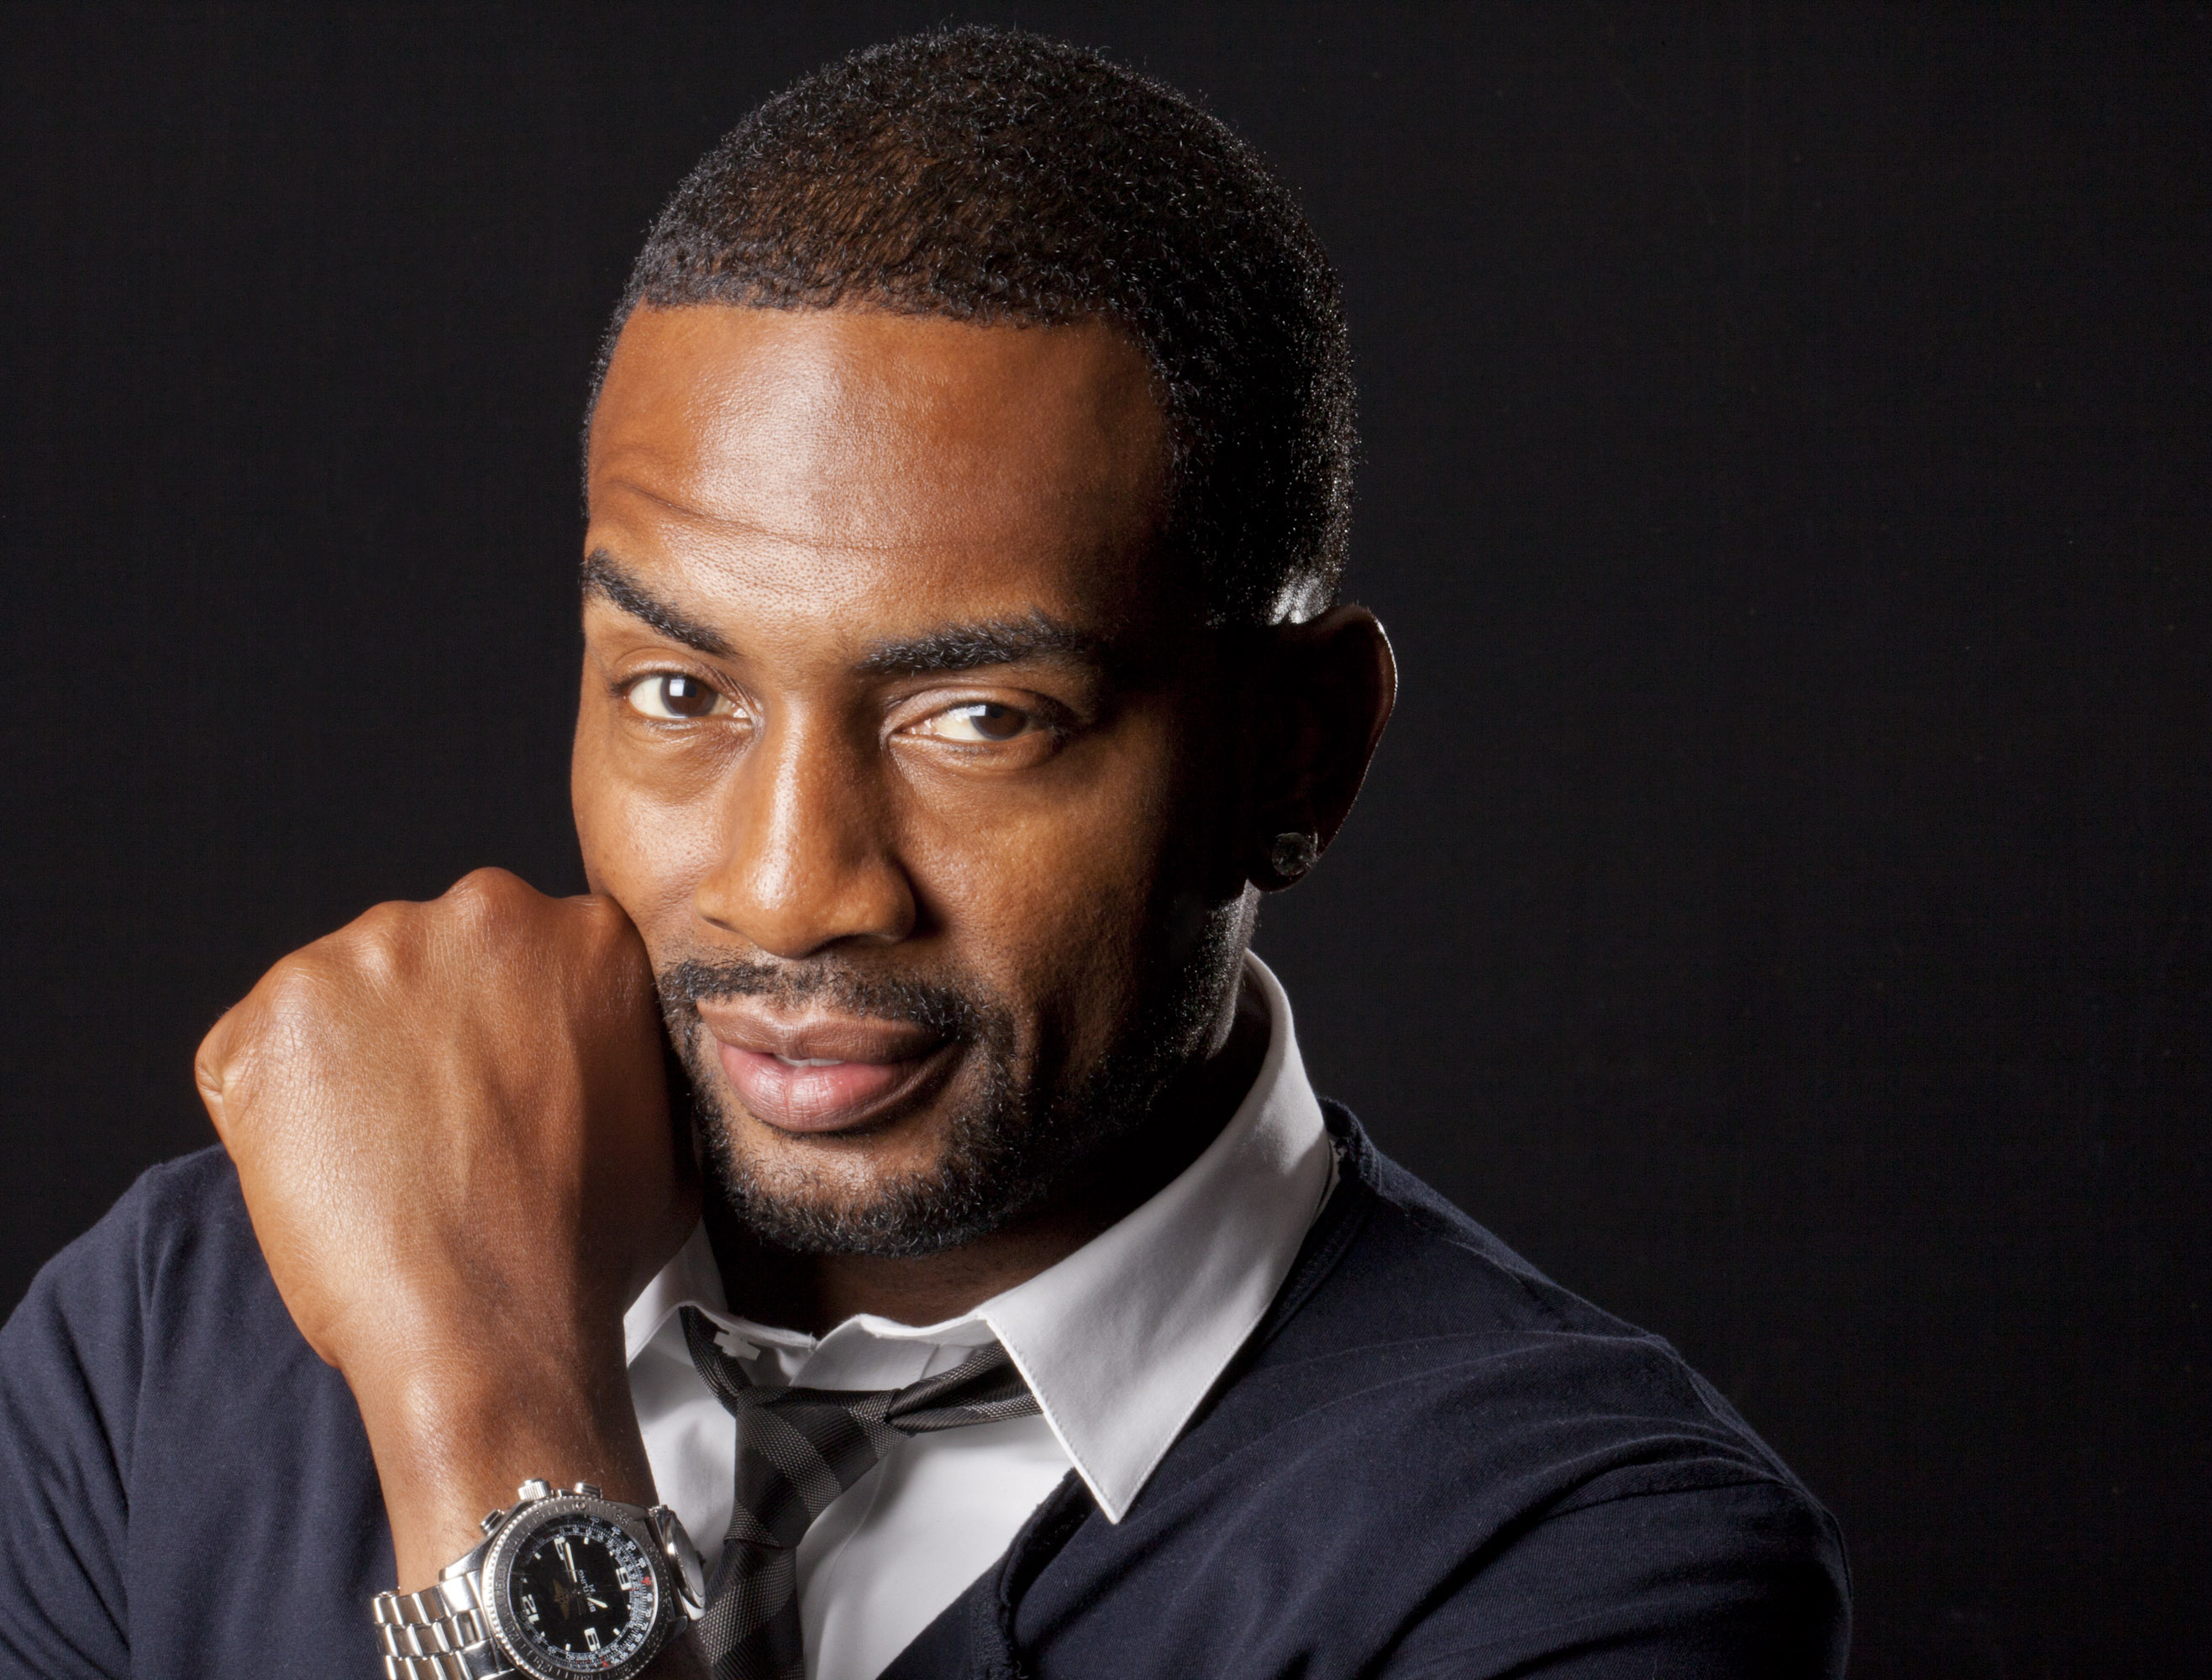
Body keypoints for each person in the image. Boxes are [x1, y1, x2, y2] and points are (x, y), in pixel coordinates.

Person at [0, 26, 1848, 1680]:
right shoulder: (177, 1342)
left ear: (1300, 751)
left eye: (979, 718)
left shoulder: (1579, 1561)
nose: (793, 886)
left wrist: (487, 1406)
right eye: (680, 691)